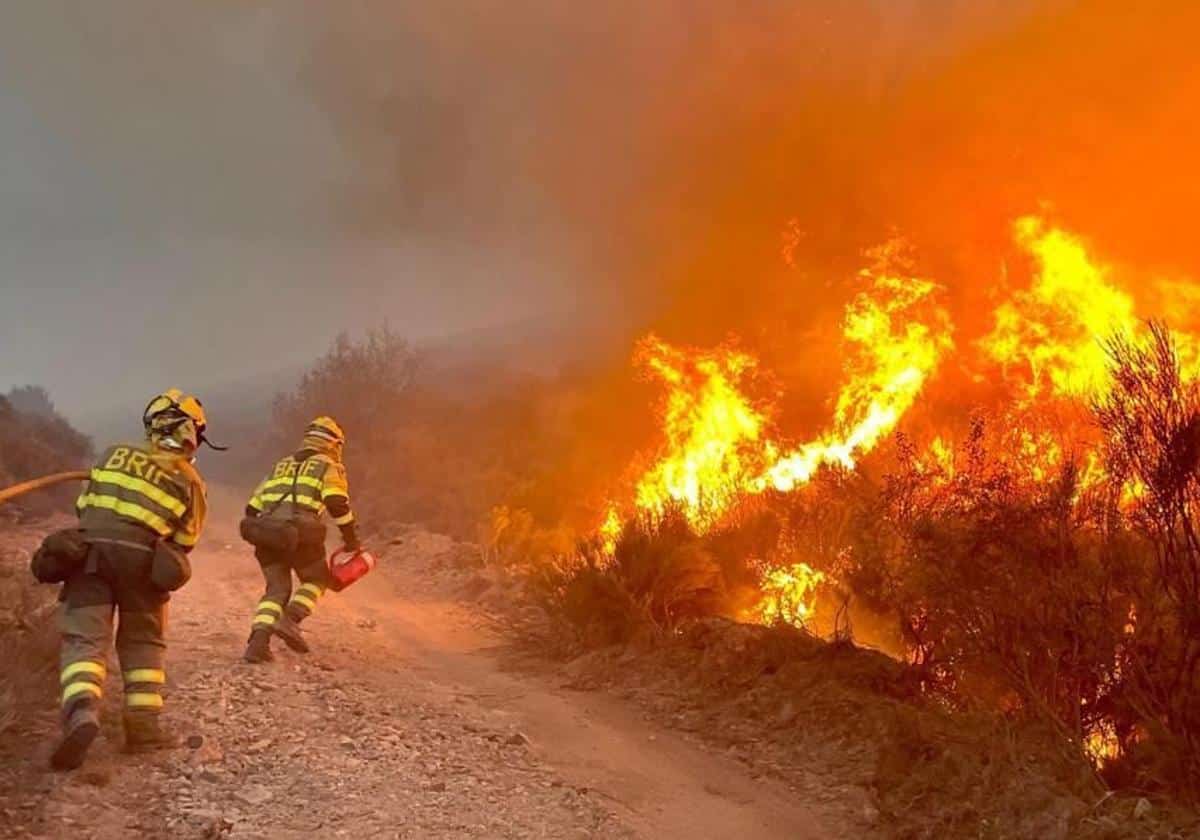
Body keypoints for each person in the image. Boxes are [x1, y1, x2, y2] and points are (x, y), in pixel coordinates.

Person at [51, 389, 210, 770]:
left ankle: (82, 712)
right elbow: (185, 540)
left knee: (84, 641)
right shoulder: (190, 479)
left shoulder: (110, 455)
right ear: (192, 433)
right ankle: (142, 728)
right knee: (143, 643)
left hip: (89, 557)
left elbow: (84, 508)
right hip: (143, 564)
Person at [241, 416, 359, 663]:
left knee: (276, 590)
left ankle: (257, 643)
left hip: (268, 537)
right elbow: (337, 502)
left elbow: (252, 509)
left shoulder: (281, 465)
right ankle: (290, 619)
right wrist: (351, 540)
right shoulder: (328, 465)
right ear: (334, 444)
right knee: (318, 580)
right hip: (302, 538)